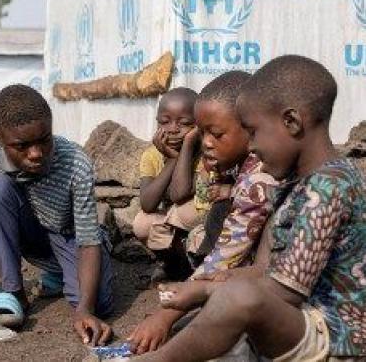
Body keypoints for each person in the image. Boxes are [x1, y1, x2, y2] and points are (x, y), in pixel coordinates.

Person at [131, 56, 365, 361]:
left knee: (235, 300)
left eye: (253, 132)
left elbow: (285, 290)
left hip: (337, 335)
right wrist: (221, 280)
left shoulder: (329, 185)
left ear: (292, 123)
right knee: (221, 309)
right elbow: (269, 268)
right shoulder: (297, 184)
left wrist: (204, 291)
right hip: (305, 318)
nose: (251, 146)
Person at [127, 71, 278, 355]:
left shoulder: (259, 178)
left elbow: (224, 258)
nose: (206, 142)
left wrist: (166, 313)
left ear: (250, 128)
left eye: (216, 134)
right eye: (203, 133)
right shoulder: (241, 166)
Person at [0, 84, 114, 346]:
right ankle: (14, 292)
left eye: (44, 139)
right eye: (22, 145)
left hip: (68, 236)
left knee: (100, 304)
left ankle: (60, 274)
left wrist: (84, 309)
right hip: (29, 232)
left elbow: (87, 239)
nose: (36, 153)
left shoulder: (76, 163)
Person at [132, 87, 219, 281]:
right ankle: (173, 264)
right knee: (141, 223)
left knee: (186, 211)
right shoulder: (152, 156)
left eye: (185, 123)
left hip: (199, 227)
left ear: (199, 125)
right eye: (165, 122)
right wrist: (172, 159)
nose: (173, 129)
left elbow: (179, 194)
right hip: (170, 229)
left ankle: (194, 266)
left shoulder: (207, 155)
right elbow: (148, 204)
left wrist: (187, 146)